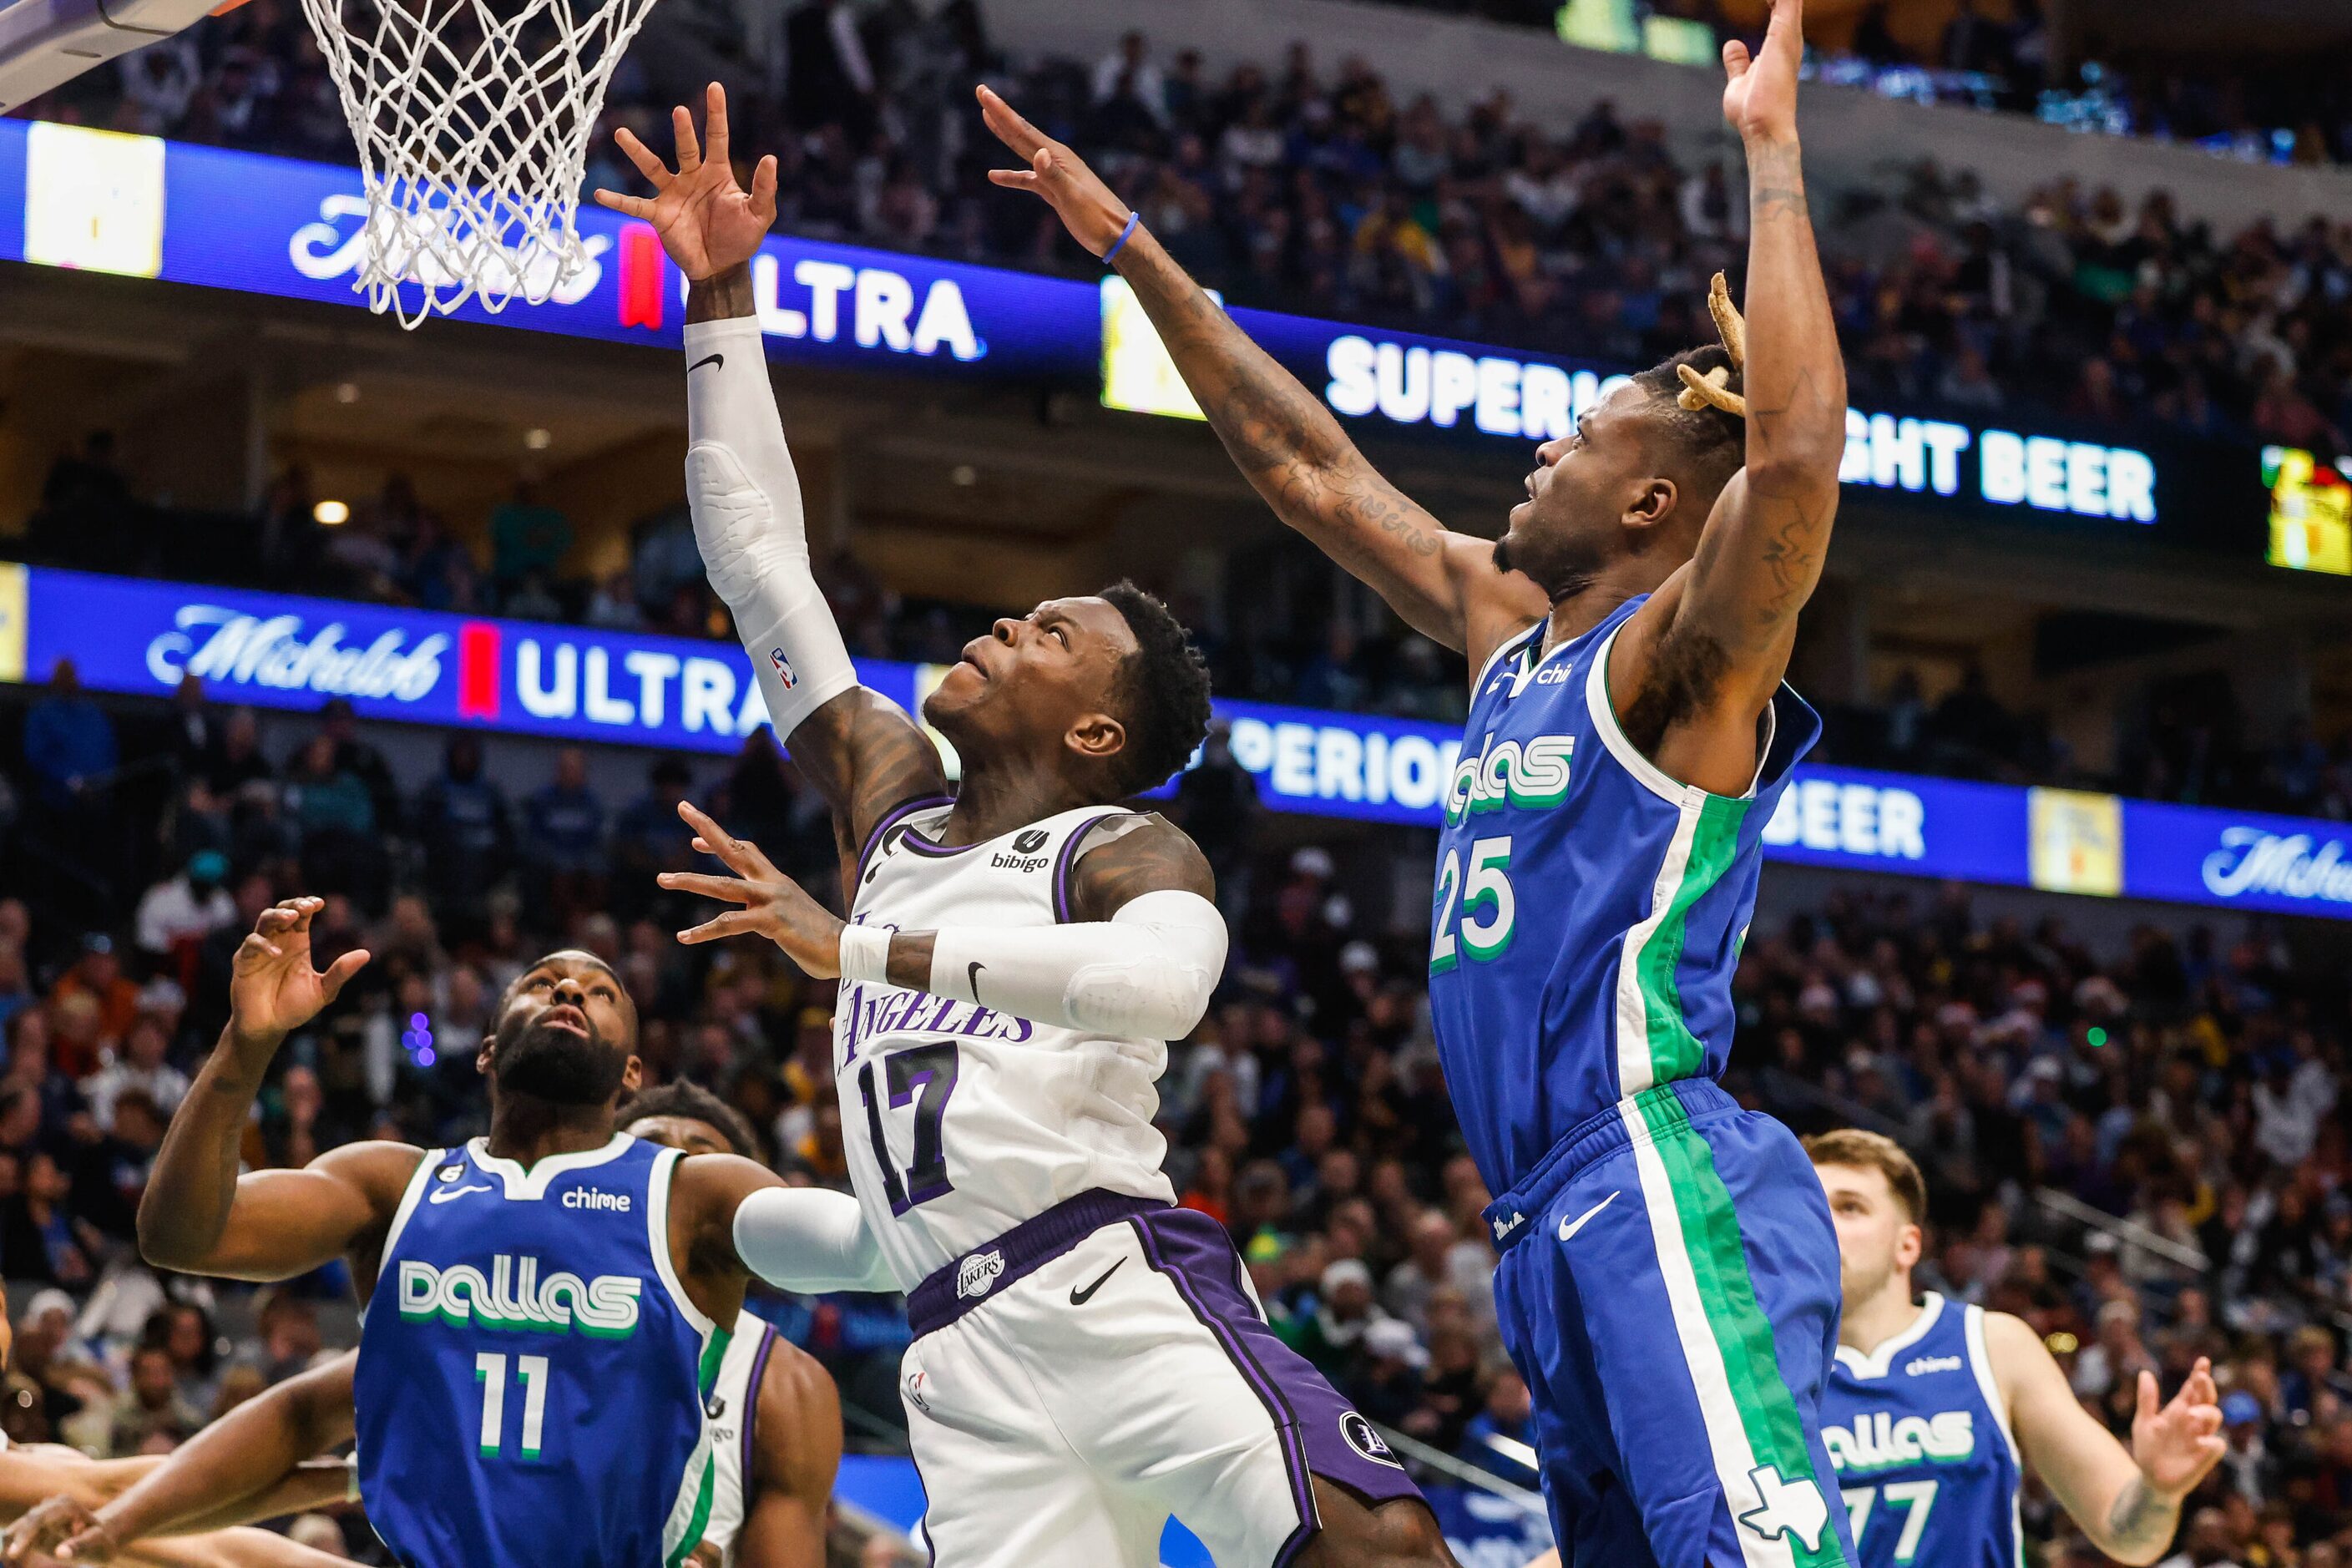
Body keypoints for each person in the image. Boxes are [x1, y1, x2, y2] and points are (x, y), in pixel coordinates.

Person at [976, 1, 1854, 1562]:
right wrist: (1130, 247)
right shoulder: (1511, 637)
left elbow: (1790, 463)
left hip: (1652, 1166)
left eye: (1577, 439)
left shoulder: (1675, 662)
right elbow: (1305, 469)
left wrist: (1772, 156)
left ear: (1653, 499)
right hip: (1536, 1221)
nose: (1540, 453)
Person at [594, 83, 1452, 1568]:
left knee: (1377, 1547)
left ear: (1099, 733)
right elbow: (757, 563)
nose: (1008, 620)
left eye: (1051, 633)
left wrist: (861, 943)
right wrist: (721, 298)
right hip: (955, 1349)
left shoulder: (1117, 851)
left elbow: (1162, 989)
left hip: (1110, 1277)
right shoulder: (889, 799)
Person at [134, 897, 785, 1567]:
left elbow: (863, 1249)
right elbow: (180, 1238)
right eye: (541, 982)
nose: (567, 989)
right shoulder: (393, 1185)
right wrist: (248, 1043)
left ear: (630, 1071)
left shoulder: (697, 1222)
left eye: (601, 992)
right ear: (488, 1052)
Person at [10, 1085, 838, 1568]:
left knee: (101, 1500)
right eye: (655, 1156)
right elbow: (304, 1415)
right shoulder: (494, 1297)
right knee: (117, 1510)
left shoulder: (782, 1382)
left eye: (699, 1164)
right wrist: (116, 1523)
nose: (672, 1178)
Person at [1807, 1130, 2225, 1567]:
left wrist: (2158, 1493)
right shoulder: (1760, 1372)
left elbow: (2129, 1536)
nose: (1822, 1223)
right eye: (1811, 1208)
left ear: (1907, 1244)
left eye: (1850, 1207)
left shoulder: (1992, 1346)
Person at [0, 1281, 352, 1568]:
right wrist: (352, 1478)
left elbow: (216, 1548)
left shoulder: (40, 1459)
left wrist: (351, 1479)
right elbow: (117, 1493)